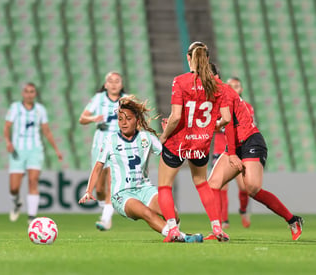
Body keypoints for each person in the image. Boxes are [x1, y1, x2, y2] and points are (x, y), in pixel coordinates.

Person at [79, 95, 203, 242]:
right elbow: (98, 166)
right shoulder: (110, 140)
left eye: (128, 119)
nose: (124, 123)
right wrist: (88, 190)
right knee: (147, 213)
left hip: (145, 189)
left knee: (172, 212)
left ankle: (177, 234)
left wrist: (172, 135)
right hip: (122, 194)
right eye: (120, 119)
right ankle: (182, 237)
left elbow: (168, 155)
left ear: (137, 120)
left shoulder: (147, 137)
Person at [207, 63, 304, 241]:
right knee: (212, 183)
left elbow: (228, 123)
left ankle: (293, 220)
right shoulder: (211, 95)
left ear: (211, 76)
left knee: (252, 188)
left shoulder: (224, 91)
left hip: (251, 141)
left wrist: (233, 153)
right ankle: (217, 231)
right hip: (235, 144)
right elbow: (217, 124)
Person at [157, 41, 232, 242]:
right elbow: (225, 118)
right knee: (201, 183)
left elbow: (175, 117)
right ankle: (217, 228)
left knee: (164, 186)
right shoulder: (219, 86)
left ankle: (172, 229)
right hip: (201, 143)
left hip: (178, 142)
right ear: (207, 59)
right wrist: (210, 128)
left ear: (188, 58)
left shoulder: (180, 81)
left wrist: (163, 137)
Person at [4, 82, 63, 224]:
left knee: (33, 181)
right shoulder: (15, 108)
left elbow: (46, 131)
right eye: (27, 91)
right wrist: (8, 142)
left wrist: (56, 149)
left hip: (35, 149)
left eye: (32, 91)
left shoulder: (40, 110)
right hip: (18, 150)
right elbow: (6, 127)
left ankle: (32, 217)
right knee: (13, 188)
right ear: (22, 93)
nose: (29, 94)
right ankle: (17, 201)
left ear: (35, 94)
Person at [79, 71, 125, 231]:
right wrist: (93, 118)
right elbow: (82, 118)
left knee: (112, 181)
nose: (113, 84)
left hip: (118, 144)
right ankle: (104, 207)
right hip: (100, 144)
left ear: (121, 84)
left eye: (117, 81)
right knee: (99, 188)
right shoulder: (98, 99)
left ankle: (106, 219)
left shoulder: (127, 100)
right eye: (110, 81)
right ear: (105, 85)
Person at [210, 75, 252, 229]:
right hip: (221, 151)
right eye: (230, 85)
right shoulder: (220, 105)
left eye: (236, 85)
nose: (233, 88)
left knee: (244, 187)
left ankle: (243, 209)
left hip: (239, 151)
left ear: (241, 89)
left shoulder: (247, 107)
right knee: (220, 187)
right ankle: (223, 221)